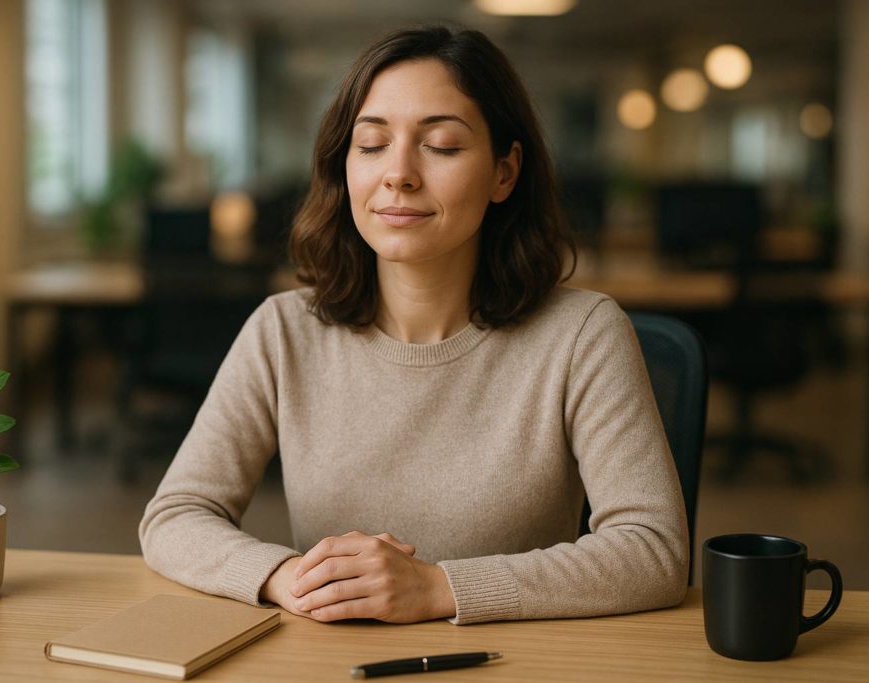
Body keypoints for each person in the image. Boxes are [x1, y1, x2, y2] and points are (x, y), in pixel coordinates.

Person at [139, 25, 688, 625]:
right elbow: (175, 516)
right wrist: (284, 575)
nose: (398, 174)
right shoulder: (283, 330)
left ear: (504, 173)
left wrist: (438, 588)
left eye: (443, 146)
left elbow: (653, 551)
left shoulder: (583, 334)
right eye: (371, 145)